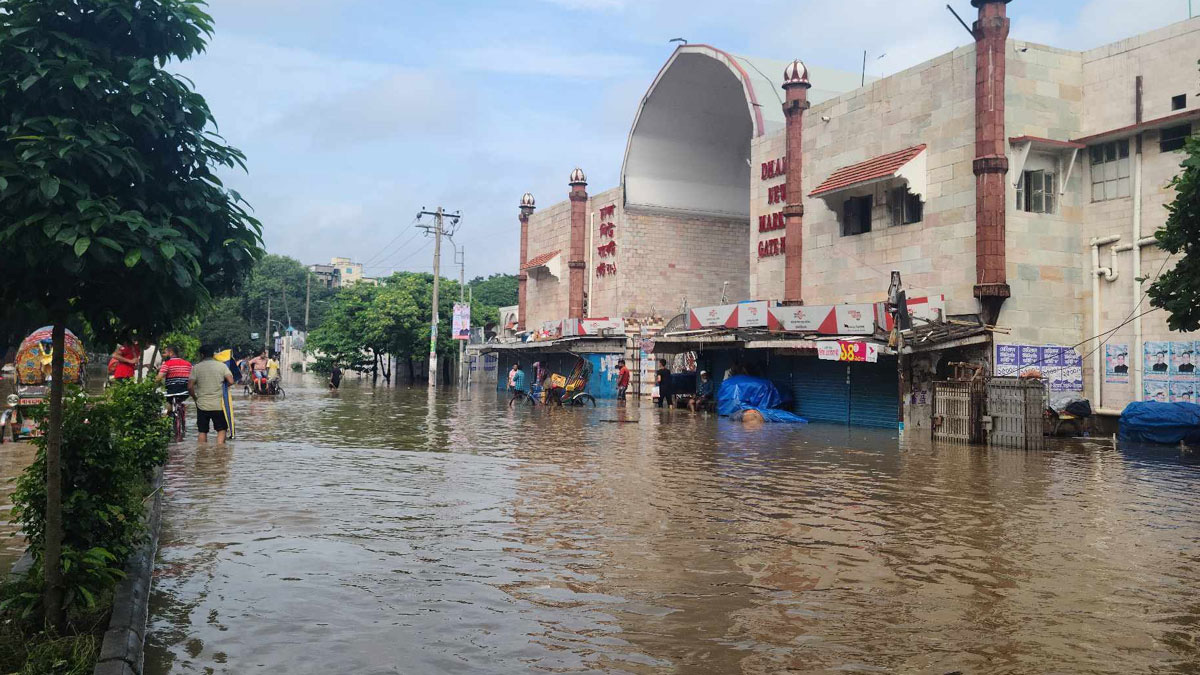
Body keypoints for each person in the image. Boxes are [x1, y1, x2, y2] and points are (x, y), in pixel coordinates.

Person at [189, 344, 234, 444]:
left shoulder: (196, 368)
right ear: (213, 354)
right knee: (221, 430)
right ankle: (220, 451)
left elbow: (190, 387)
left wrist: (195, 398)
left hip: (202, 405)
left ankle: (202, 453)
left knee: (202, 431)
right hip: (218, 405)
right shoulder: (222, 366)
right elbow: (231, 381)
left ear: (201, 355)